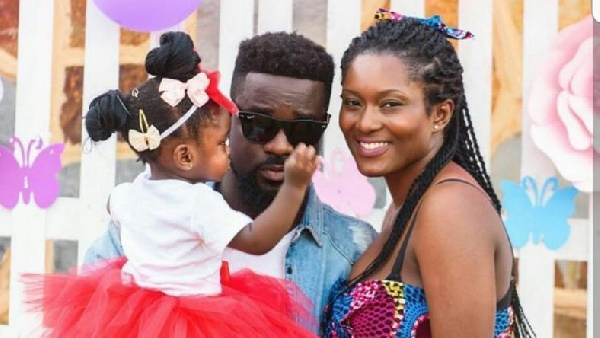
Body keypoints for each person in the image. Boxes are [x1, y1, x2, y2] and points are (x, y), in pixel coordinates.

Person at [23, 32, 318, 337]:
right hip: (196, 322)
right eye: (220, 144)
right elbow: (257, 241)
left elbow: (112, 204)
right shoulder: (198, 205)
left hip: (132, 318)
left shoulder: (127, 195)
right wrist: (294, 186)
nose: (228, 150)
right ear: (185, 156)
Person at [84, 31, 376, 333]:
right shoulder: (138, 231)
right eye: (259, 124)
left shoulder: (352, 252)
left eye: (303, 129)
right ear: (226, 118)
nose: (280, 146)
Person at [323, 9, 535, 338]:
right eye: (353, 102)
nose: (364, 123)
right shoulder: (406, 205)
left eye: (390, 104)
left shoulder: (449, 210)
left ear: (440, 114)